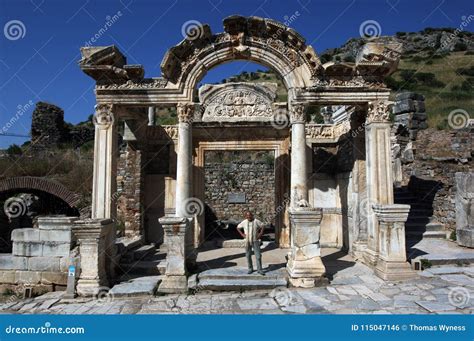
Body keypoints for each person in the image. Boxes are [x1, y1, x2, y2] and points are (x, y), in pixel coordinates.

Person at [237, 211, 265, 275]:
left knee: (258, 256)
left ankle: (259, 269)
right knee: (248, 255)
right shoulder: (244, 222)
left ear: (252, 215)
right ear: (246, 216)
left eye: (250, 215)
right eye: (247, 215)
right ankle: (250, 268)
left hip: (255, 241)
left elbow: (263, 225)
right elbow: (238, 227)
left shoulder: (256, 221)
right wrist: (242, 234)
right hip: (247, 241)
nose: (248, 216)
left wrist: (260, 233)